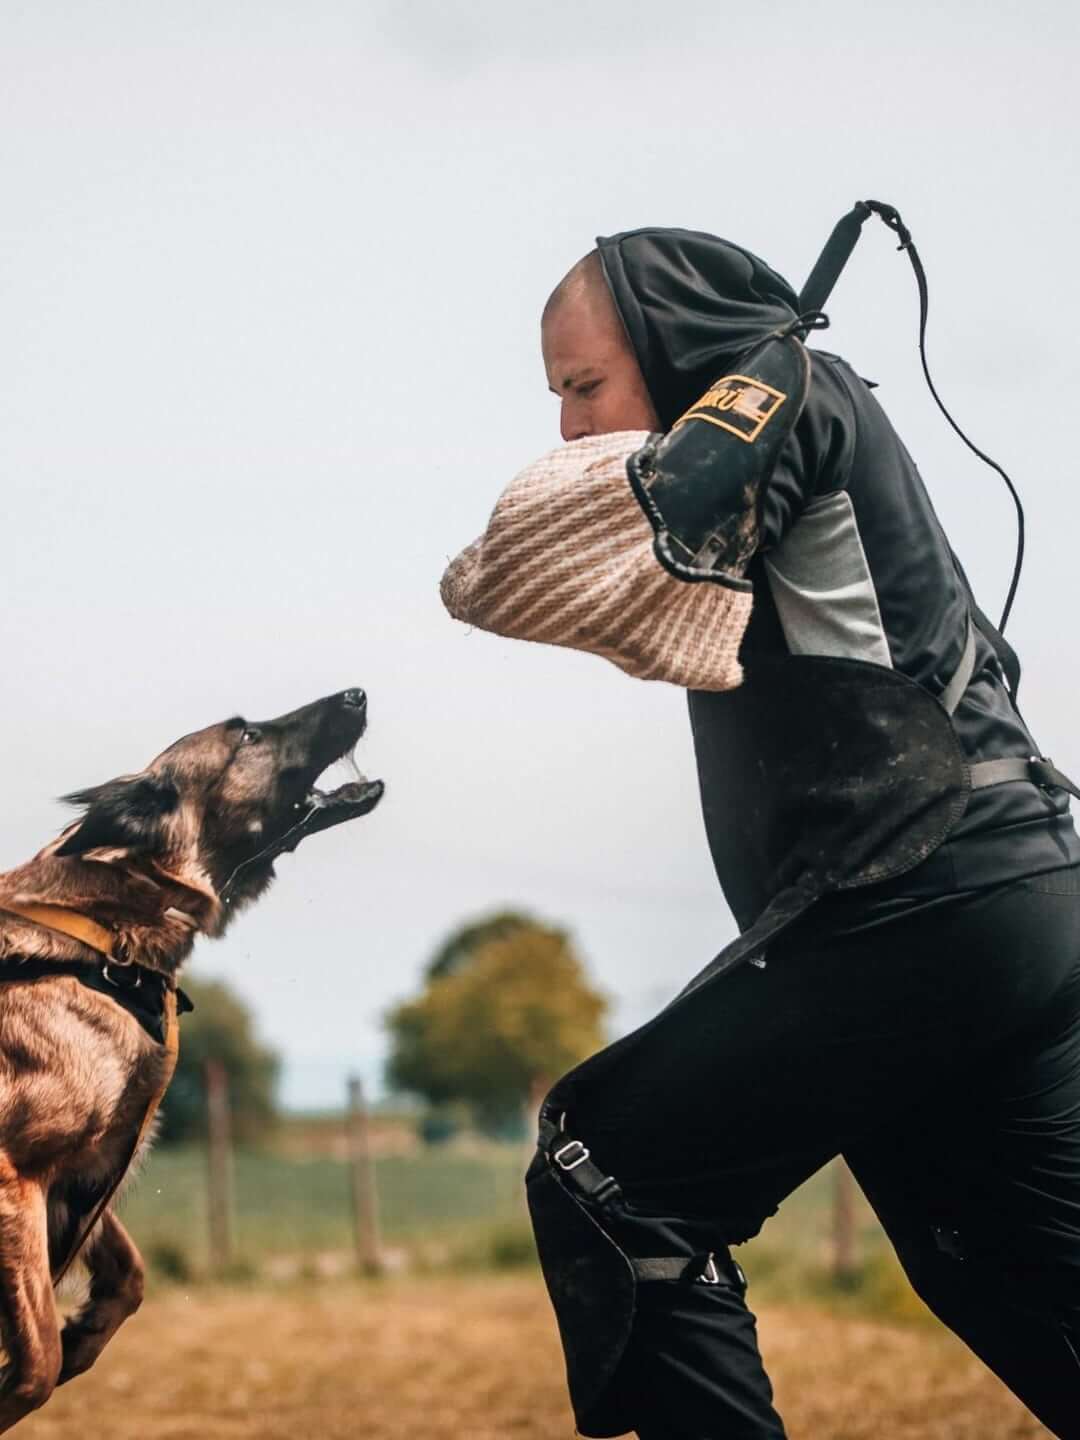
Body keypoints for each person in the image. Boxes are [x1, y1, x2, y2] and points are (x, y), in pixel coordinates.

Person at [444, 227, 1080, 1438]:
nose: (572, 428)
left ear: (677, 352)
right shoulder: (782, 406)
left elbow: (573, 553)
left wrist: (692, 420)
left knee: (611, 1174)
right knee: (995, 1261)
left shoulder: (781, 389)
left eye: (587, 387)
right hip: (1007, 906)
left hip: (922, 901)